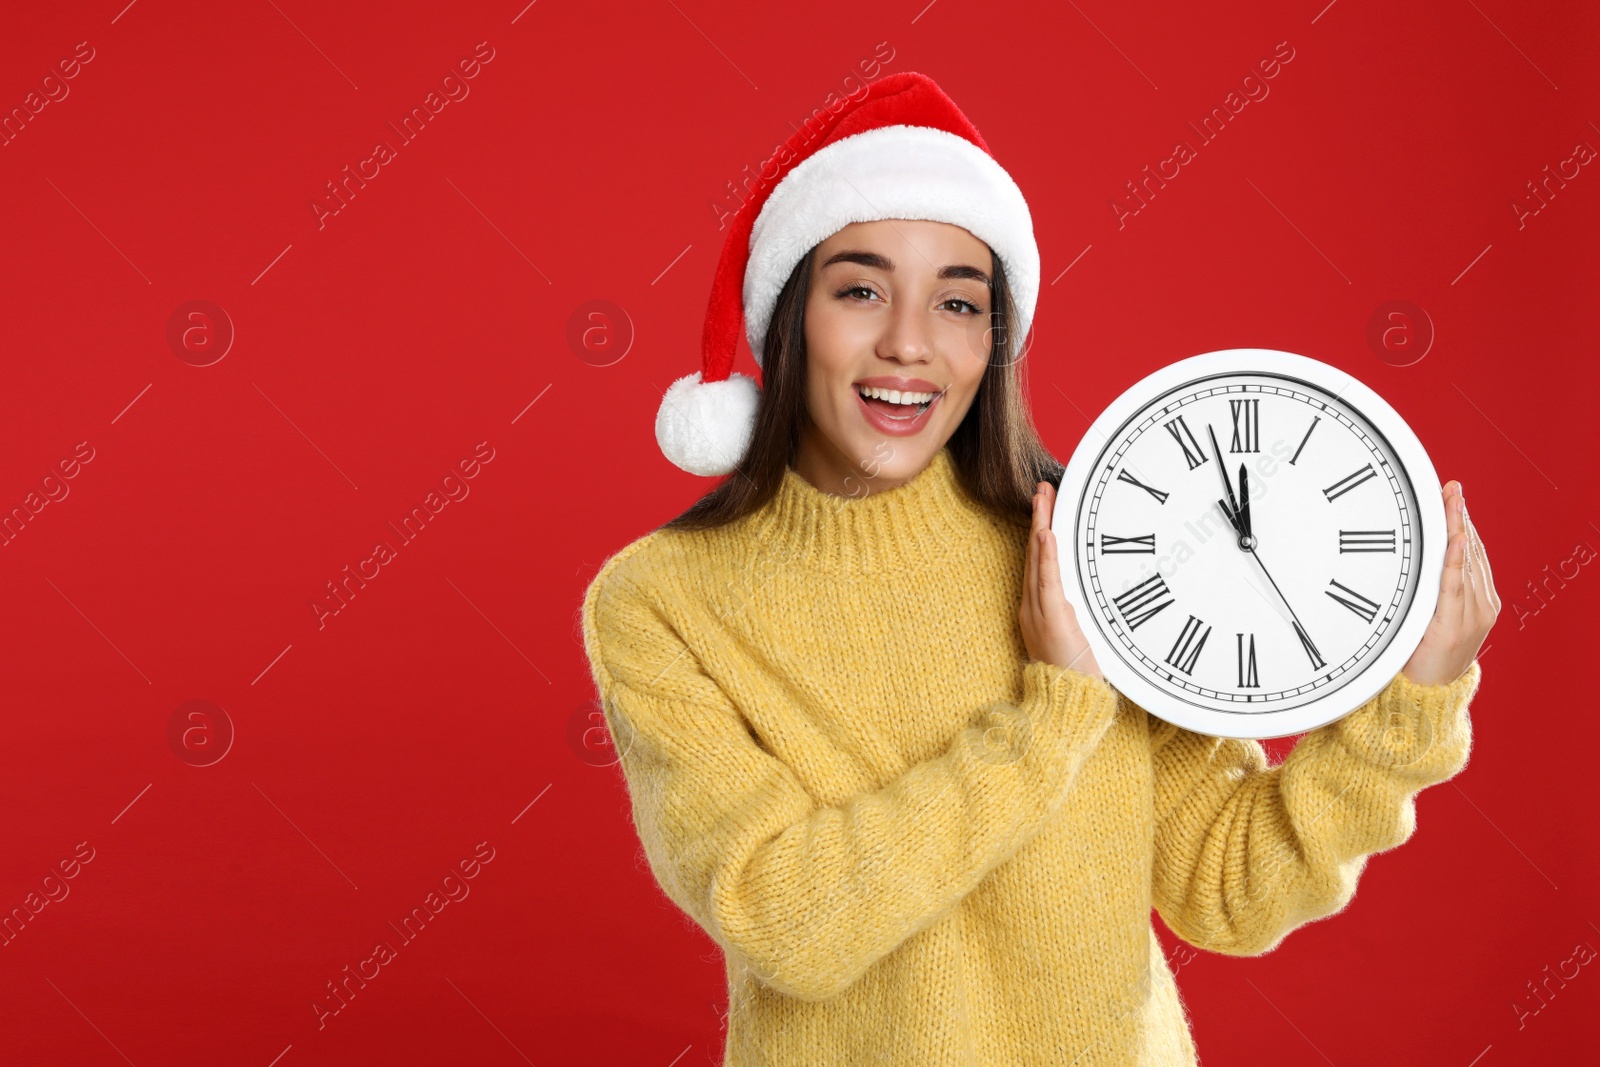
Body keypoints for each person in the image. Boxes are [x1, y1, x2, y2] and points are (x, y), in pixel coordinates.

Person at [580, 72, 1498, 1066]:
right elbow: (790, 922)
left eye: (959, 303)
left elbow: (1231, 885)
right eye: (859, 289)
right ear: (789, 316)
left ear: (994, 338)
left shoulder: (1095, 549)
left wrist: (1412, 704)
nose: (909, 343)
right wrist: (1049, 714)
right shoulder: (663, 600)